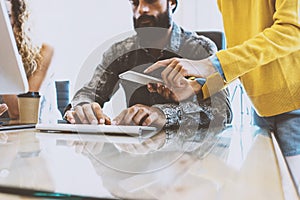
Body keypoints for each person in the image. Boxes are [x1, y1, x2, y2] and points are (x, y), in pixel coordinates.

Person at [145, 0, 300, 188]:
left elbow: (293, 30)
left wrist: (213, 64)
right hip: (262, 110)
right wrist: (201, 87)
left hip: (295, 107)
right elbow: (243, 58)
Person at [65, 0, 232, 129]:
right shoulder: (120, 52)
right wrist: (83, 107)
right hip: (137, 159)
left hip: (188, 161)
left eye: (150, 1)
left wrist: (163, 115)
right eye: (135, 3)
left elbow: (223, 111)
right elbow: (88, 93)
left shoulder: (199, 49)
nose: (141, 10)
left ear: (172, 2)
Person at [0, 0, 54, 119]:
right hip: (6, 133)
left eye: (6, 16)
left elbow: (19, 111)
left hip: (40, 132)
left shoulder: (44, 51)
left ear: (17, 16)